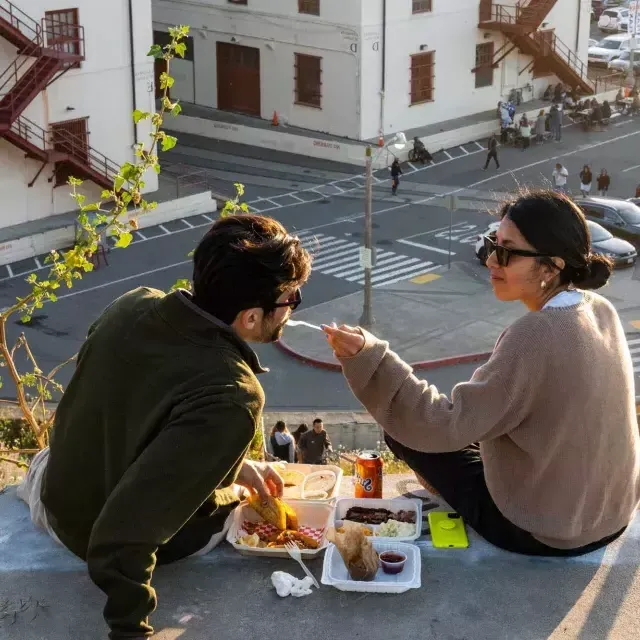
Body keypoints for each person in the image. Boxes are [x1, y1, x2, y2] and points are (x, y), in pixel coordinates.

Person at [17, 214, 312, 639]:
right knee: (231, 514)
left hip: (54, 497)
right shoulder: (233, 394)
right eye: (290, 299)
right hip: (97, 540)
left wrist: (234, 464)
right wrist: (130, 629)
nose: (294, 304)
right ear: (250, 317)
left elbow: (118, 408)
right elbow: (122, 534)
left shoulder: (132, 304)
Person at [323, 191, 639, 558]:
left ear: (551, 266)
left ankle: (462, 506)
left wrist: (371, 358)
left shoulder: (535, 334)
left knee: (402, 429)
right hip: (611, 515)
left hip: (543, 531)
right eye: (493, 243)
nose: (491, 259)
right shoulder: (600, 309)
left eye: (506, 251)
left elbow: (439, 423)